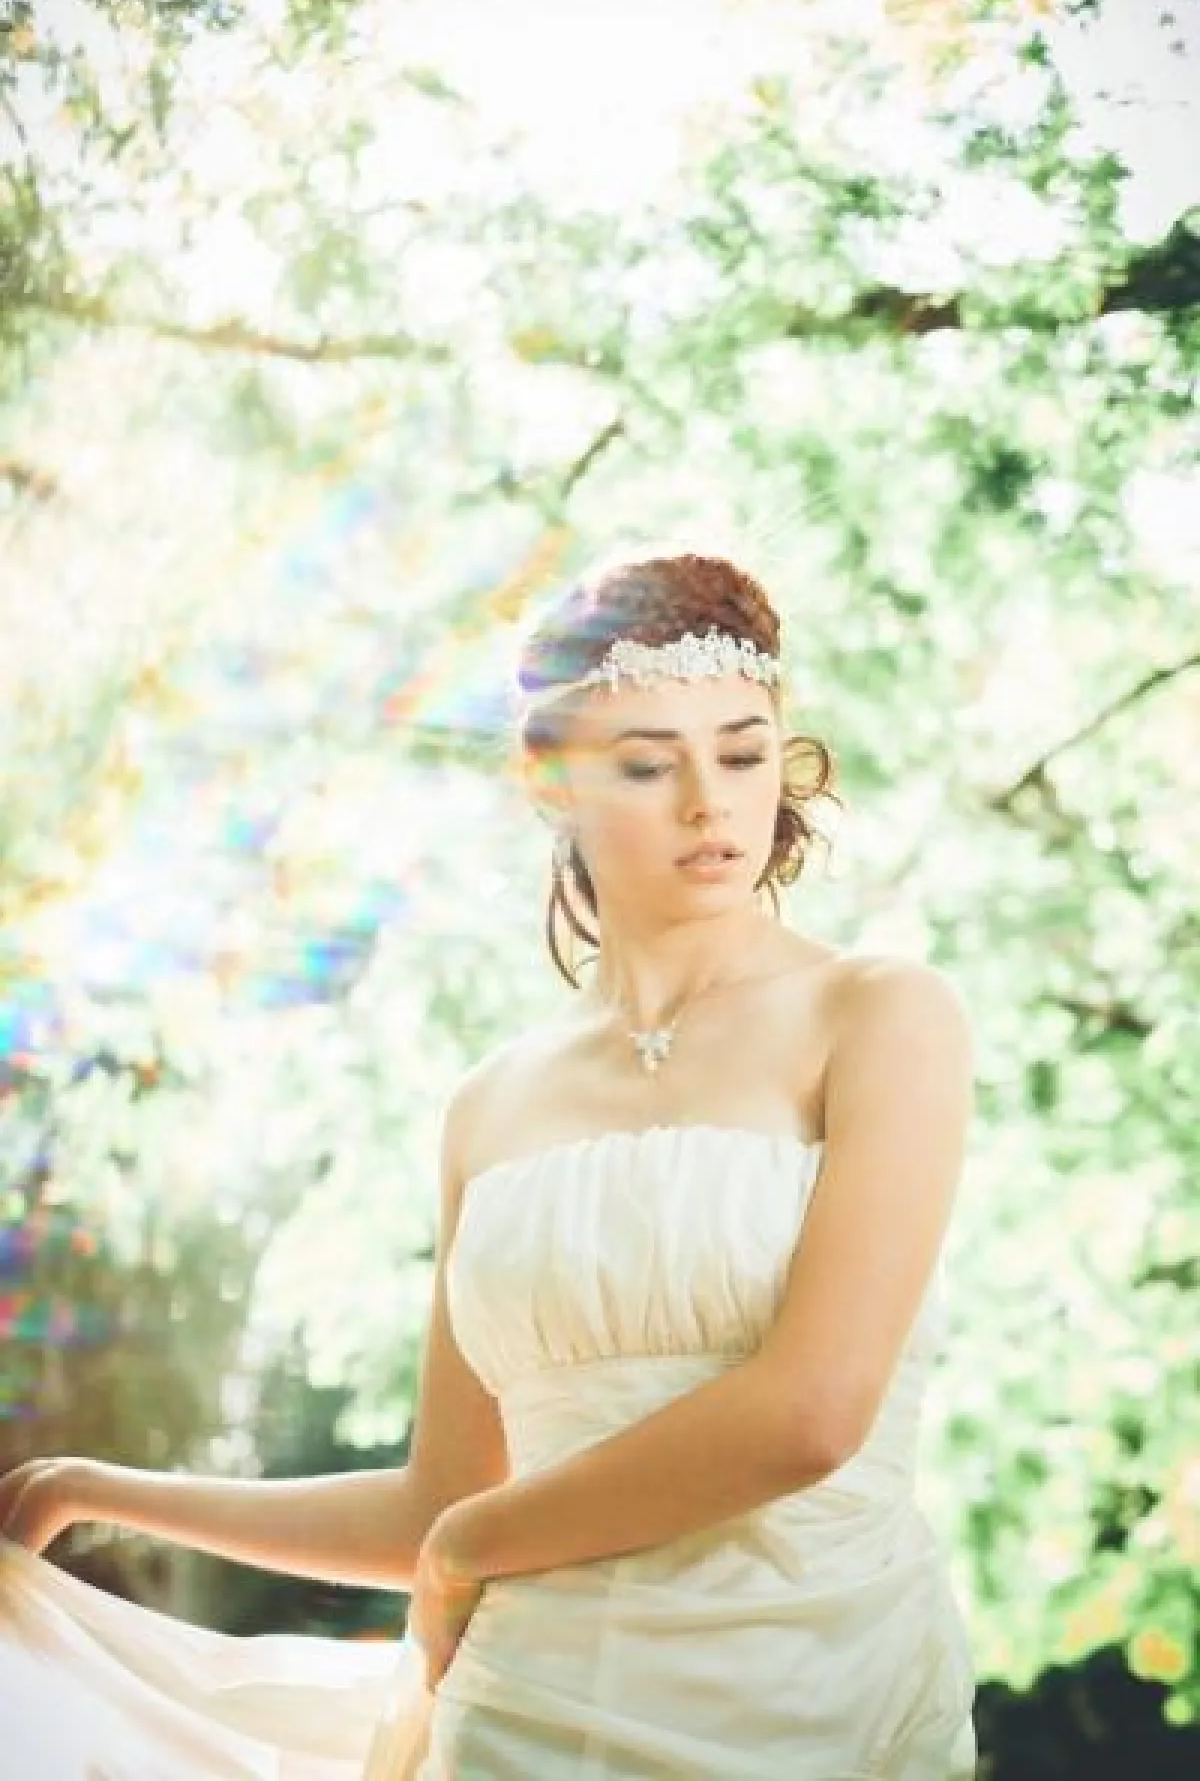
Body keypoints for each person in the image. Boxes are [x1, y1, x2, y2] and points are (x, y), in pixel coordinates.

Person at [0, 548, 978, 1778]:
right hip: (519, 1714)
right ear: (548, 781)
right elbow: (436, 1501)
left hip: (811, 1698)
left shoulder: (882, 1016)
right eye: (648, 764)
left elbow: (810, 1415)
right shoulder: (491, 1105)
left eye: (742, 754)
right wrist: (92, 1489)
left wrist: (469, 1548)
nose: (711, 804)